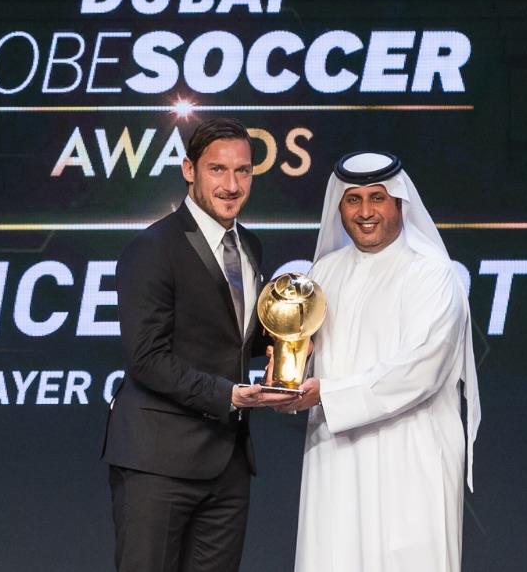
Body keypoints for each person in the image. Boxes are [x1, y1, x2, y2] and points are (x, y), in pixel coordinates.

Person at [102, 117, 295, 572]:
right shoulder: (153, 248)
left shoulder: (249, 246)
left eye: (243, 171)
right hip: (158, 462)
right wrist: (228, 395)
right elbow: (147, 358)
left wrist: (283, 340)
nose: (232, 185)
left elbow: (229, 335)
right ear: (189, 170)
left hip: (228, 464)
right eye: (217, 170)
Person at [279, 152, 480, 572]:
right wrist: (288, 369)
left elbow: (421, 371)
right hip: (334, 458)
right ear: (339, 206)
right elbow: (307, 362)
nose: (365, 212)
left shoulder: (432, 274)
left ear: (399, 202)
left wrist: (327, 394)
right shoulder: (324, 274)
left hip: (409, 459)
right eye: (353, 199)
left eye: (377, 198)